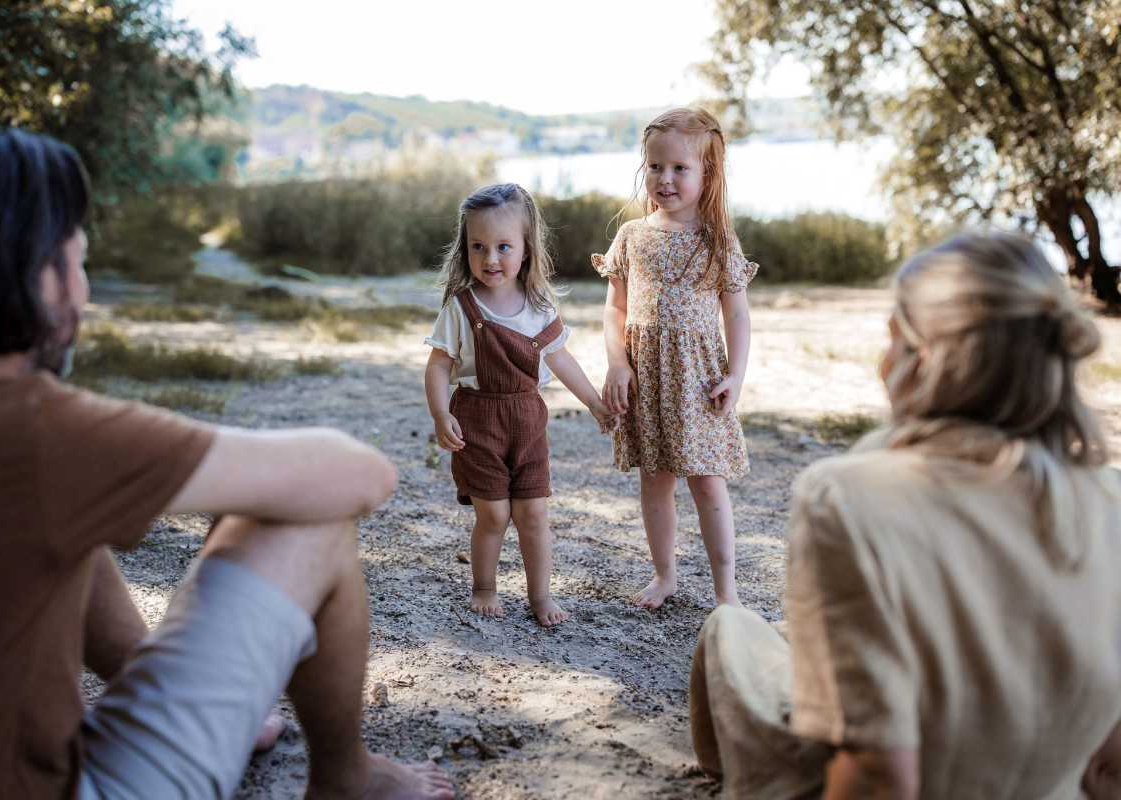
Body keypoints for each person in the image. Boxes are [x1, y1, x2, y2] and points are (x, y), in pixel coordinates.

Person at [0, 117, 455, 800]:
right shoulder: (23, 427)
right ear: (33, 275)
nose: (84, 294)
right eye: (78, 263)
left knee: (77, 513)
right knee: (306, 521)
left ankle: (158, 687)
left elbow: (62, 522)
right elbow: (362, 474)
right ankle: (348, 778)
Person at [689, 232, 1121, 799]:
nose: (882, 361)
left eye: (893, 340)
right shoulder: (1109, 499)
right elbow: (1110, 765)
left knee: (731, 634)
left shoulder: (845, 498)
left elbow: (879, 778)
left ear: (925, 361)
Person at [424, 183, 615, 627]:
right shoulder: (462, 307)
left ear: (527, 249)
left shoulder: (540, 306)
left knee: (532, 512)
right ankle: (484, 587)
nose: (491, 259)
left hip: (527, 419)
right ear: (465, 249)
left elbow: (560, 358)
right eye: (479, 247)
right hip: (477, 417)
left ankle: (540, 595)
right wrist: (440, 413)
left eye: (503, 246)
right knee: (493, 512)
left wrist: (594, 403)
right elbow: (437, 366)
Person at [593, 107, 758, 609]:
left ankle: (725, 591)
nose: (665, 179)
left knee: (707, 483)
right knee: (654, 479)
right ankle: (665, 575)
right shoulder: (632, 237)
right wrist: (618, 363)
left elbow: (738, 315)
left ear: (706, 175)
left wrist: (736, 374)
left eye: (680, 168)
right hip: (647, 375)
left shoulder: (716, 240)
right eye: (655, 167)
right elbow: (615, 310)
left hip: (698, 379)